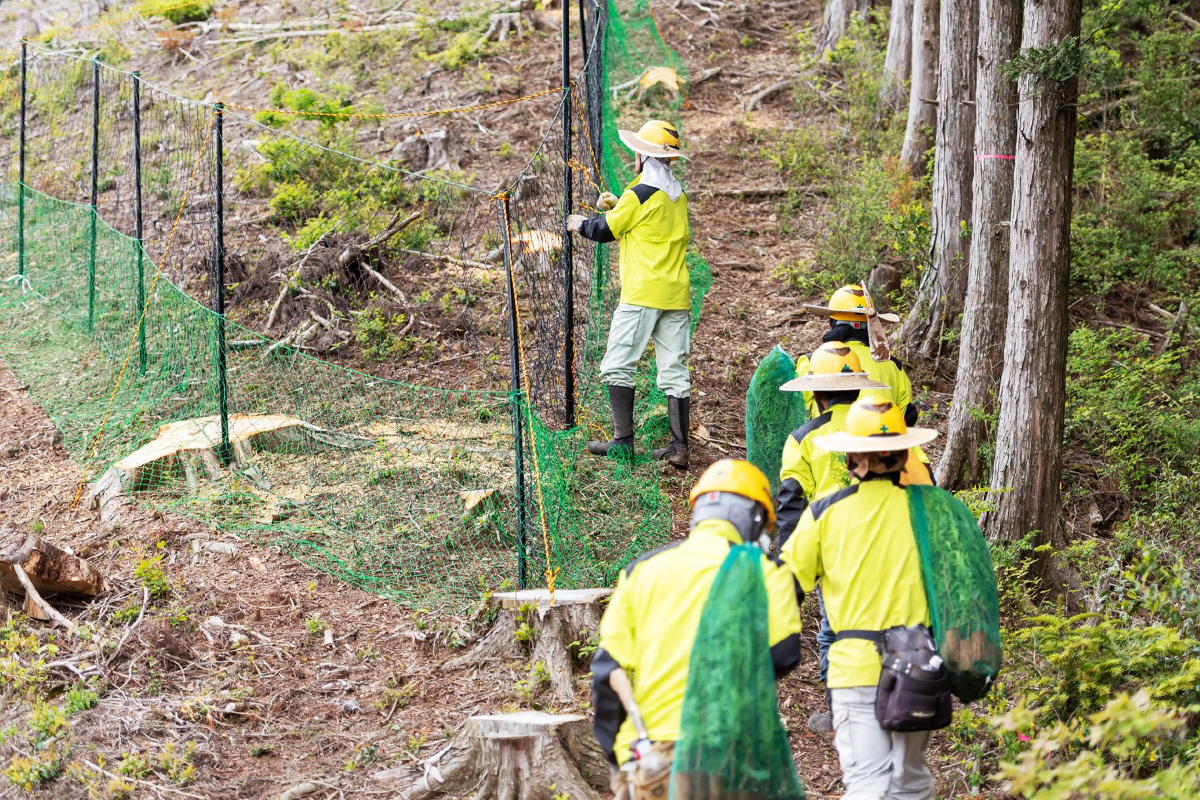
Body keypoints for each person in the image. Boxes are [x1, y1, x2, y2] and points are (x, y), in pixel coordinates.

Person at [591, 459, 803, 799]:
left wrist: (615, 756)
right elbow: (783, 654)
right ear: (754, 519)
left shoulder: (640, 571)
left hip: (650, 757)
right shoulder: (766, 572)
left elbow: (607, 670)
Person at [779, 395, 940, 800]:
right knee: (912, 781)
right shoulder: (931, 512)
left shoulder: (826, 514)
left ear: (856, 460)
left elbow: (787, 585)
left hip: (855, 668)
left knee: (867, 783)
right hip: (920, 665)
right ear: (904, 456)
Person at [774, 342, 931, 735]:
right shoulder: (891, 430)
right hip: (899, 538)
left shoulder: (802, 437)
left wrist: (790, 558)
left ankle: (839, 710)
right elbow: (928, 482)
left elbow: (792, 500)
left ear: (816, 391)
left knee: (834, 628)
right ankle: (902, 693)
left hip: (835, 543)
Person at [566, 120, 692, 468]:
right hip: (675, 294)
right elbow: (648, 225)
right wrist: (618, 203)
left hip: (641, 294)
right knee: (674, 370)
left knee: (617, 365)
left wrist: (579, 224)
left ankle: (623, 442)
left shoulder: (639, 194)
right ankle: (678, 448)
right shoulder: (676, 194)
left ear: (642, 154)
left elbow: (606, 230)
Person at [796, 285, 918, 426]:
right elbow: (907, 416)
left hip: (825, 444)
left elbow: (794, 411)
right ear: (871, 326)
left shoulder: (813, 362)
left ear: (832, 324)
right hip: (877, 444)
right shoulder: (893, 366)